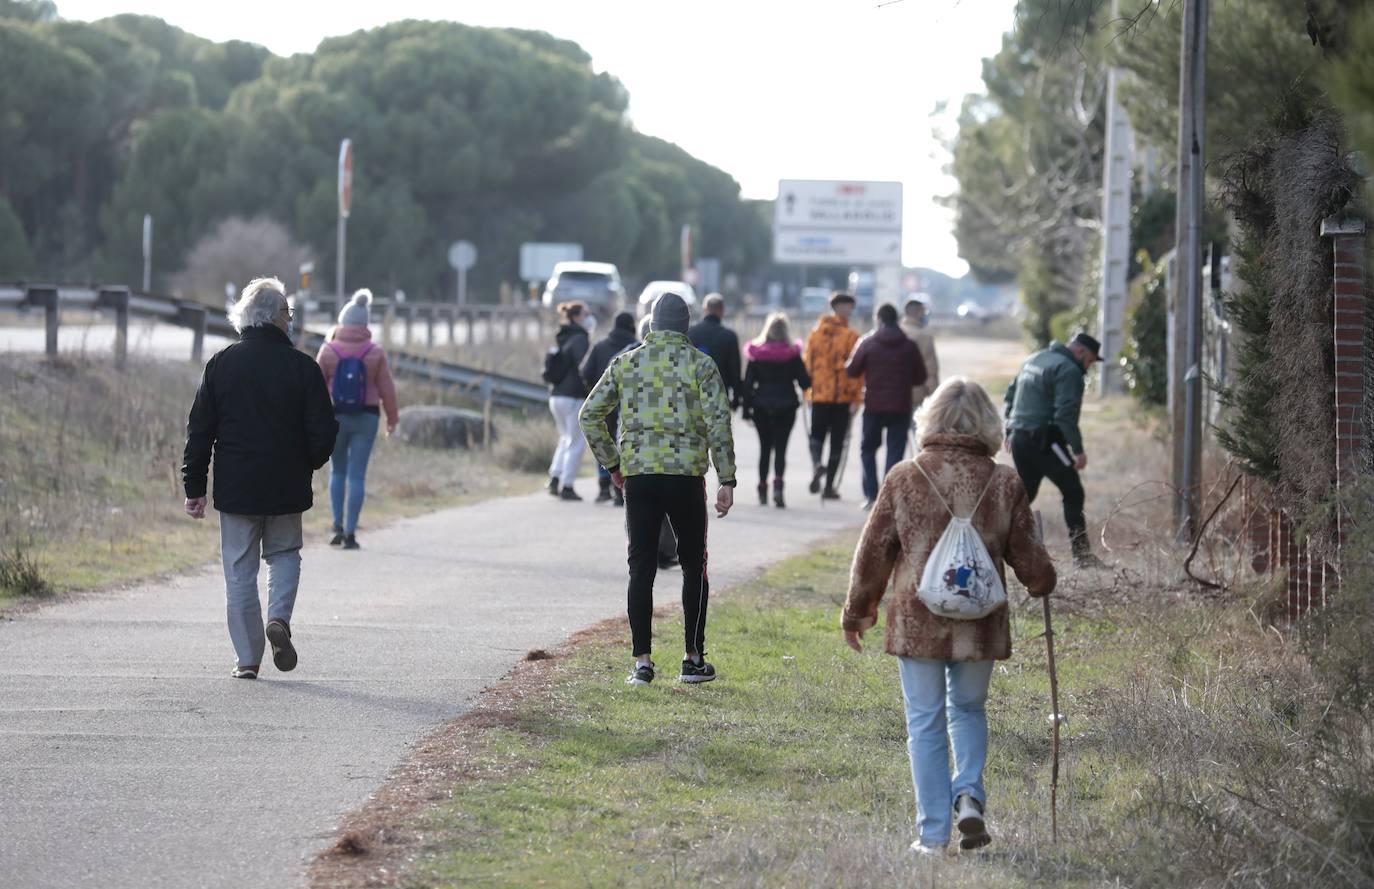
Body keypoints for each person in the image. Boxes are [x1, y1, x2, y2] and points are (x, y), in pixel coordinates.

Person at [840, 378, 1056, 855]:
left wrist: (858, 612)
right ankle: (969, 796)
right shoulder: (1005, 481)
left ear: (930, 419)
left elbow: (873, 552)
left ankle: (933, 835)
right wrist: (1043, 581)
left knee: (925, 721)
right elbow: (1030, 560)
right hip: (979, 622)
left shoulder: (905, 476)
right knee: (969, 709)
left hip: (919, 621)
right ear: (988, 424)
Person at [182, 277, 338, 680]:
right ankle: (279, 620)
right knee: (285, 554)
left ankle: (247, 659)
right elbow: (324, 429)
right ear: (274, 318)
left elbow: (200, 430)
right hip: (286, 485)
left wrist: (194, 487)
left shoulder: (221, 364)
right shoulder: (303, 367)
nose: (290, 320)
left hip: (236, 488)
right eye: (288, 313)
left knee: (239, 571)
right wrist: (309, 462)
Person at [580, 292, 737, 687]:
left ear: (650, 324)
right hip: (686, 477)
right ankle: (692, 659)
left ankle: (643, 664)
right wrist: (727, 479)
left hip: (640, 477)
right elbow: (719, 423)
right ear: (686, 325)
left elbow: (589, 414)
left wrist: (613, 464)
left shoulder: (626, 363)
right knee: (693, 566)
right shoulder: (702, 365)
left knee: (641, 567)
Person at [1003, 332, 1107, 569]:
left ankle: (993, 541)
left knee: (1023, 495)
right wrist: (1078, 450)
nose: (1089, 367)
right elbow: (1065, 416)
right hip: (1045, 441)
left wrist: (1009, 427)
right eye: (1090, 361)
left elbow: (1010, 395)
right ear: (1080, 352)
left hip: (1020, 438)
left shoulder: (1034, 359)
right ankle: (1082, 557)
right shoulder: (1068, 370)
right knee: (1073, 492)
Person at [316, 289, 400, 549]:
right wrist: (392, 419)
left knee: (337, 471)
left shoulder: (328, 349)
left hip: (335, 417)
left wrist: (312, 421)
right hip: (367, 417)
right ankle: (351, 534)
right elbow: (387, 388)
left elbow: (315, 388)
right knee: (357, 476)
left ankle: (337, 526)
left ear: (343, 321)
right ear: (365, 324)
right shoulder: (374, 352)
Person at [847, 303, 927, 511]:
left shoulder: (867, 343)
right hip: (901, 405)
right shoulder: (909, 345)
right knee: (895, 450)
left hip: (873, 405)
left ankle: (871, 494)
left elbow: (852, 370)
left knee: (868, 449)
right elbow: (921, 377)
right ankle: (889, 495)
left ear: (879, 318)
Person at [742, 312, 811, 508]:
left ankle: (762, 488)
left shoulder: (756, 354)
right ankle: (779, 487)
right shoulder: (793, 354)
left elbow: (748, 385)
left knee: (764, 448)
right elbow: (805, 382)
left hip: (761, 405)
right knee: (781, 449)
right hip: (786, 405)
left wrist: (746, 410)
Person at [804, 291, 864, 499]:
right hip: (842, 398)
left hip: (819, 396)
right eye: (849, 307)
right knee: (838, 442)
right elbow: (857, 372)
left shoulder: (815, 334)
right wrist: (857, 399)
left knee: (816, 437)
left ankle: (817, 466)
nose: (850, 311)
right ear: (840, 307)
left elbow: (807, 366)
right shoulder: (851, 337)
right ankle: (829, 486)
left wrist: (808, 392)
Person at [581, 311, 640, 506]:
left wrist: (596, 392)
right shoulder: (637, 349)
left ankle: (603, 485)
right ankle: (619, 490)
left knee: (602, 438)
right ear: (632, 326)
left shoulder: (600, 346)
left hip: (603, 404)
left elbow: (585, 371)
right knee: (620, 441)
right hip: (627, 404)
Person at [545, 300, 592, 501]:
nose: (589, 318)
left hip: (556, 396)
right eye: (585, 314)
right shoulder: (580, 339)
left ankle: (555, 477)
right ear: (576, 317)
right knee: (576, 442)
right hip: (574, 397)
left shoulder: (562, 336)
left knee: (565, 438)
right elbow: (585, 368)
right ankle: (568, 485)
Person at [687, 292, 742, 411]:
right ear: (722, 310)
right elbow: (735, 370)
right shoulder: (729, 336)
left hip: (694, 397)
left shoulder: (690, 333)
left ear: (704, 309)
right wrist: (737, 398)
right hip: (720, 397)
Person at [901, 296, 940, 410]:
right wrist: (935, 396)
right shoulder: (924, 337)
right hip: (916, 396)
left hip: (894, 395)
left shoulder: (896, 332)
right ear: (918, 312)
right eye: (924, 312)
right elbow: (930, 370)